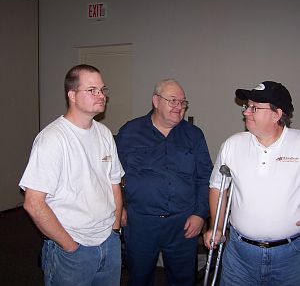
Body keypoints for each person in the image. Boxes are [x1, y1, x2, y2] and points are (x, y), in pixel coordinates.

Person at [19, 64, 124, 286]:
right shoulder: (52, 139)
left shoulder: (104, 133)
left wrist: (114, 231)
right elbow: (33, 203)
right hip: (72, 249)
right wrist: (70, 246)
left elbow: (114, 183)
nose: (101, 95)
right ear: (72, 95)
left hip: (108, 243)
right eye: (92, 90)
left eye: (103, 89)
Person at [116, 78, 212, 286]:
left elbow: (205, 177)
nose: (179, 106)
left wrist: (199, 214)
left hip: (183, 223)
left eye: (182, 102)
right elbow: (113, 174)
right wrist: (119, 207)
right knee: (139, 278)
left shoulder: (194, 135)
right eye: (173, 100)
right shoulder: (130, 132)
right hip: (140, 222)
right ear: (155, 101)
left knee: (183, 279)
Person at [204, 81, 300, 285]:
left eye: (254, 108)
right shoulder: (233, 144)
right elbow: (218, 188)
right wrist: (217, 227)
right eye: (246, 106)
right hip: (239, 255)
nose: (246, 112)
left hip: (291, 256)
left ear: (276, 114)